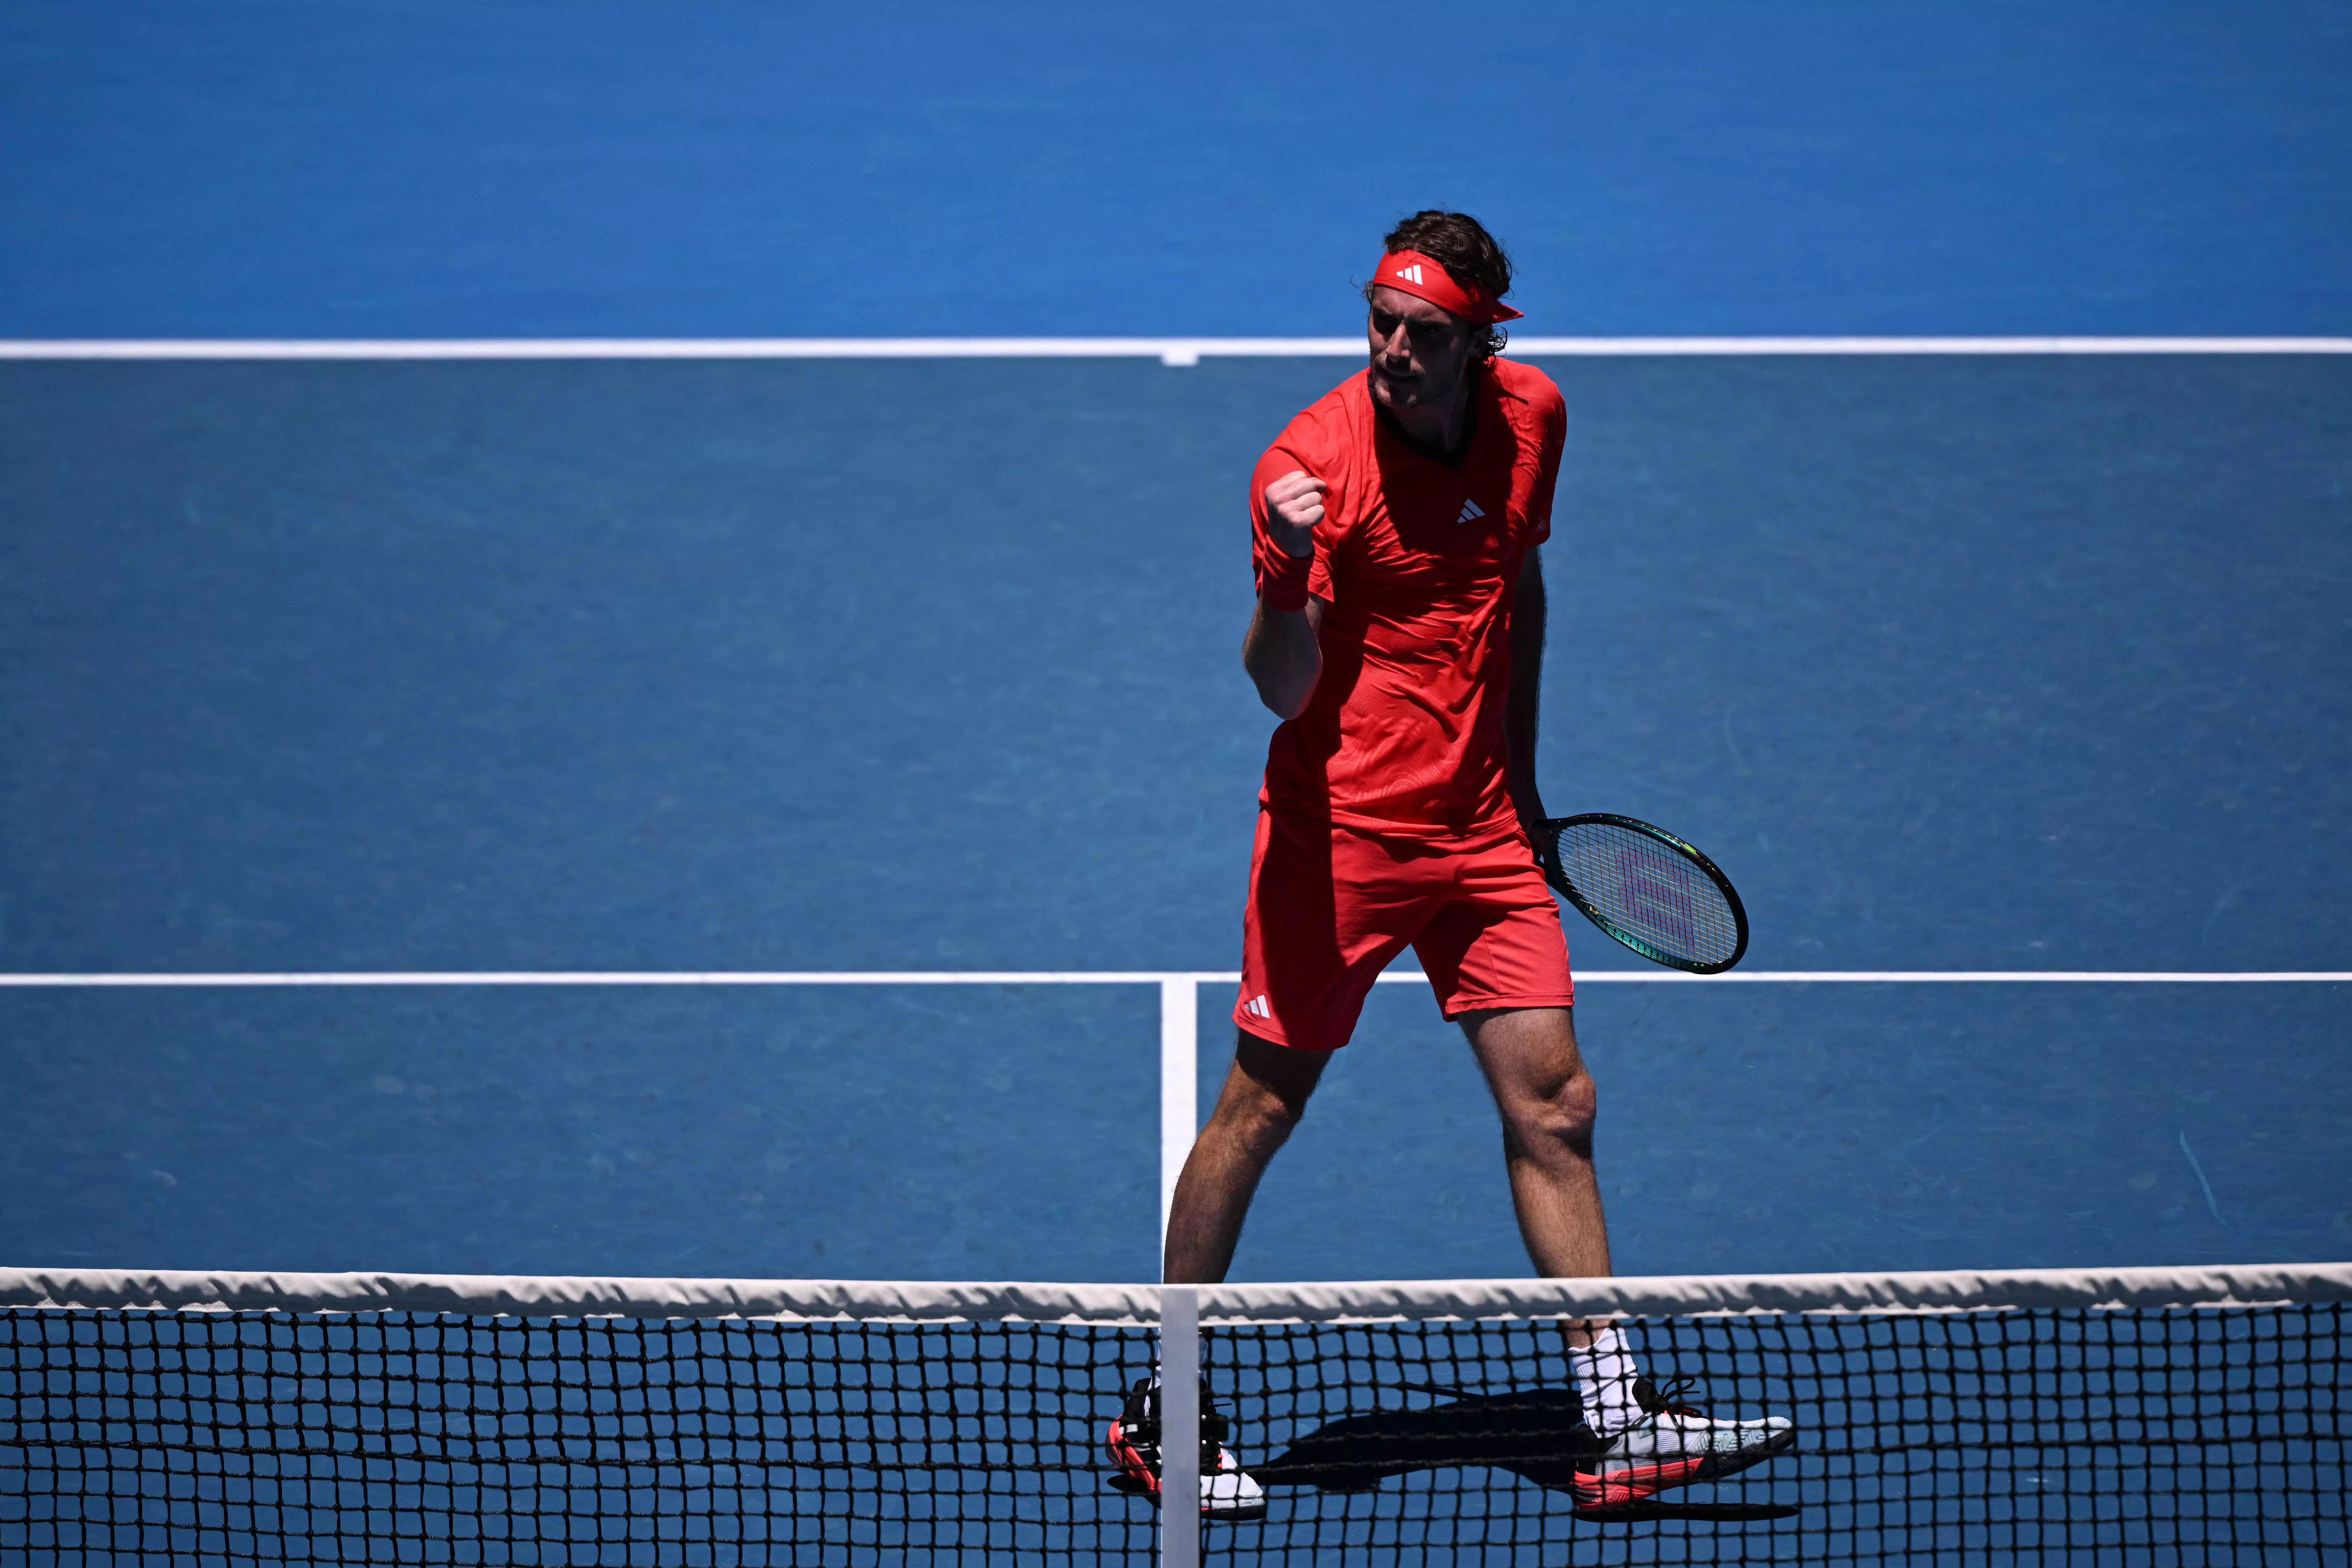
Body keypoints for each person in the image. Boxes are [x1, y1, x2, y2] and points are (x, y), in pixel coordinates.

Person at [1115, 211, 1791, 1518]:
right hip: (1341, 843)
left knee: (1557, 1107)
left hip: (1481, 831)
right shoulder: (1312, 464)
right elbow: (1277, 686)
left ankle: (1609, 1421)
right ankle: (1166, 1406)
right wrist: (1285, 565)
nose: (1392, 351)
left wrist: (1523, 774)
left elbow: (1513, 584)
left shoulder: (1532, 416)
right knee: (1259, 1110)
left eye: (1424, 332)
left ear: (1484, 338)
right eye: (1379, 321)